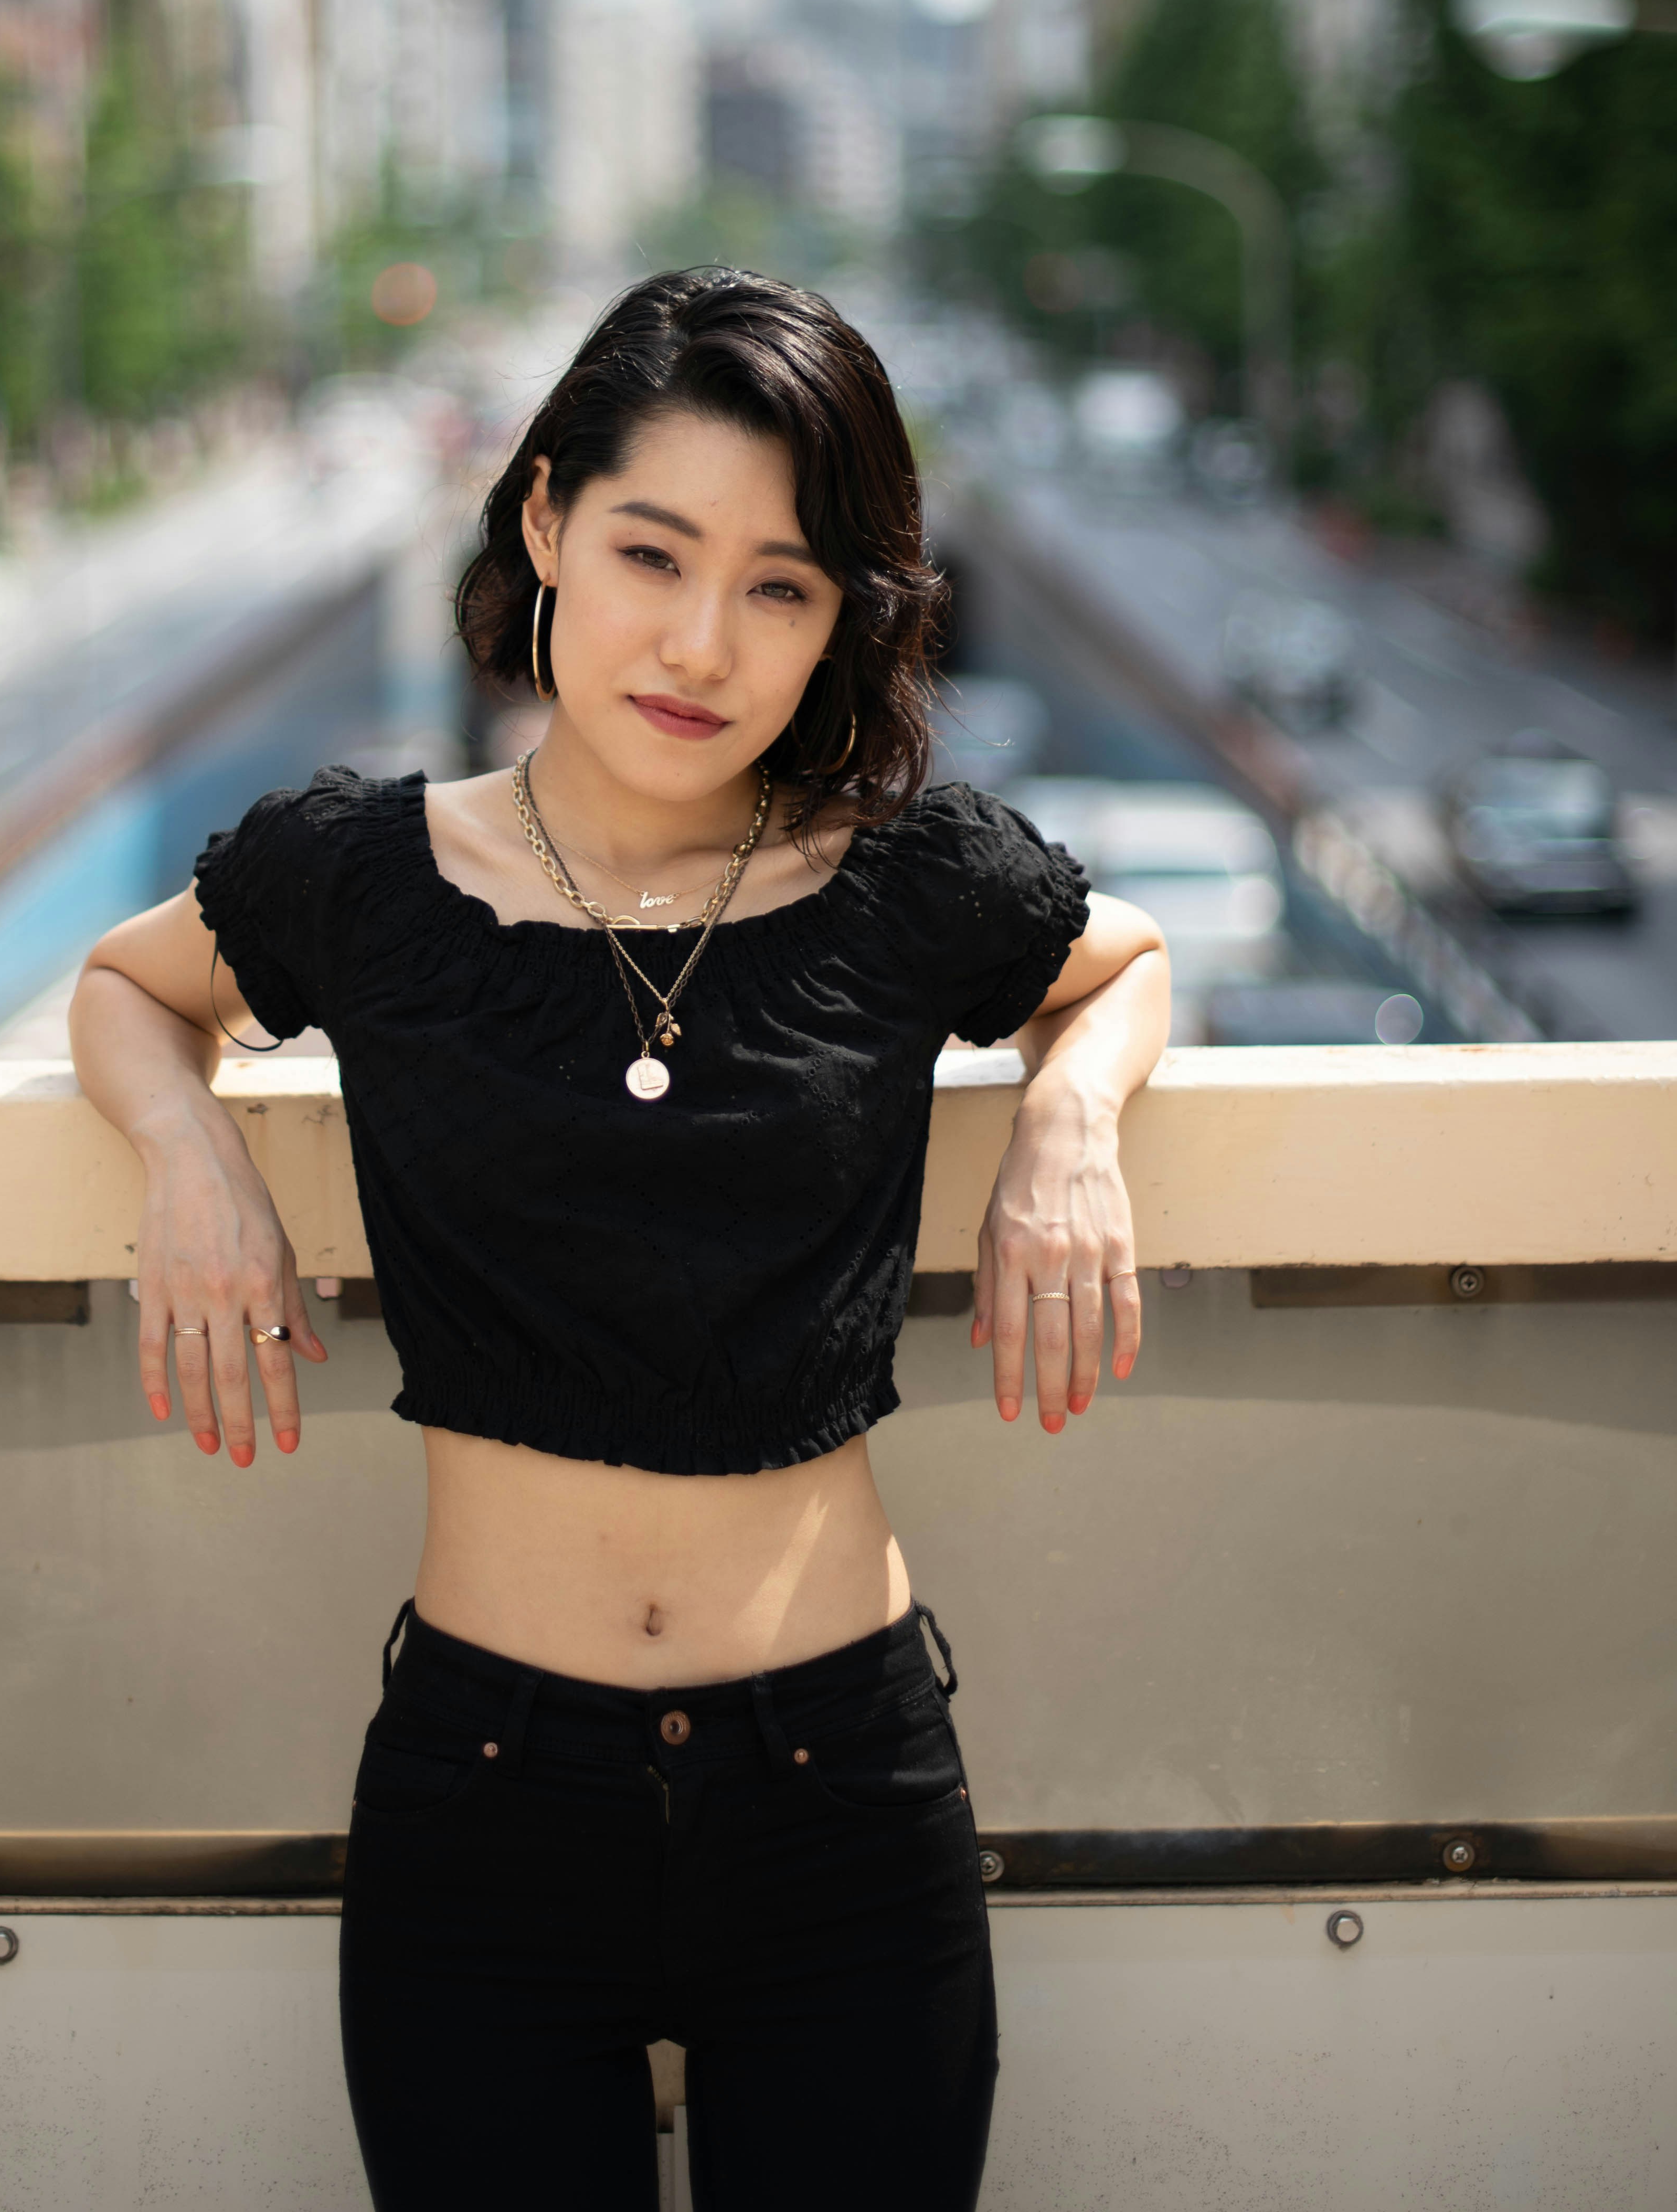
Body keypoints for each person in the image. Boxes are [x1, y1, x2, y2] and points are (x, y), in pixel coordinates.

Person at [69, 268, 1169, 2212]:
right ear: (547, 519)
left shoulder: (908, 880)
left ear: (845, 621)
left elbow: (1125, 965)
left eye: (782, 586)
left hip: (844, 1790)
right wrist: (187, 1154)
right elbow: (129, 989)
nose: (699, 642)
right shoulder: (366, 876)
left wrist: (1071, 1124)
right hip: (485, 1806)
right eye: (654, 551)